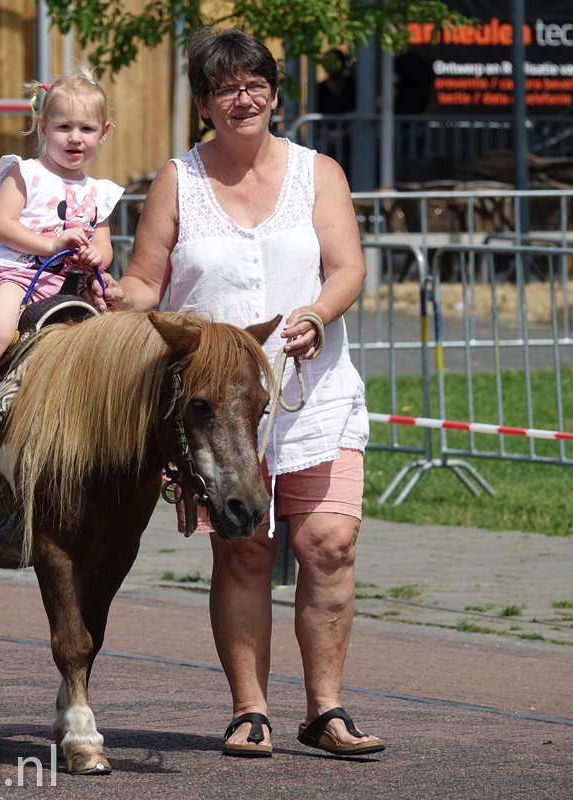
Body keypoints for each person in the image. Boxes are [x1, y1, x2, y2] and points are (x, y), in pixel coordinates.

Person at [84, 27, 385, 759]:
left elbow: (348, 267)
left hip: (312, 392)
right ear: (203, 104)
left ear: (275, 94)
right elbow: (145, 287)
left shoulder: (320, 172)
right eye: (226, 87)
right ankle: (250, 710)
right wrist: (102, 278)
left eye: (255, 84)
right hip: (219, 414)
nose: (243, 97)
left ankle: (327, 710)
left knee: (330, 544)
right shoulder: (177, 180)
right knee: (245, 553)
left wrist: (316, 313)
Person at [0, 70, 123, 477]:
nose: (75, 137)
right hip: (19, 274)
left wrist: (97, 256)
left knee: (123, 345)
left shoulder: (101, 192)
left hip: (72, 283)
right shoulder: (25, 173)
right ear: (43, 127)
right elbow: (3, 225)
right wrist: (52, 244)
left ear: (104, 132)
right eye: (63, 127)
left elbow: (105, 244)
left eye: (86, 128)